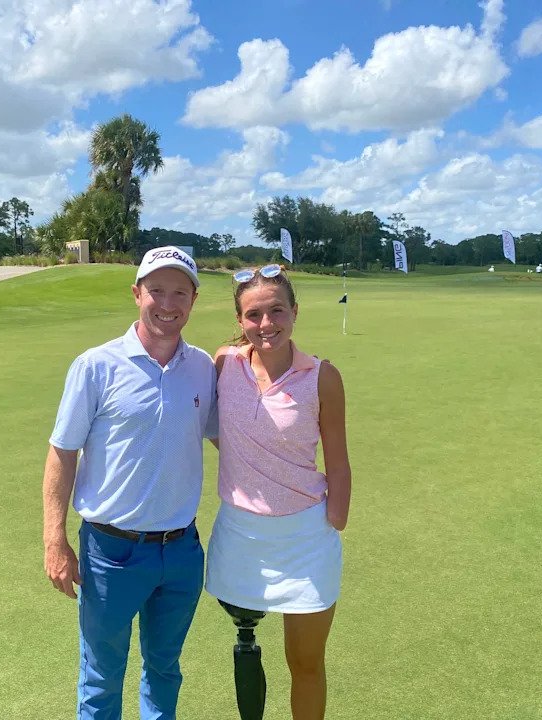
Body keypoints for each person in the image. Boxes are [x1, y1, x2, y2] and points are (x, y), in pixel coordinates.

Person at [42, 246, 218, 719]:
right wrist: (54, 540)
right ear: (136, 293)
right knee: (101, 676)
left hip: (181, 551)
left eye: (180, 291)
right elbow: (62, 452)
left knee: (165, 669)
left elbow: (230, 439)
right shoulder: (96, 365)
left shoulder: (203, 367)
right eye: (156, 290)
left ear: (194, 299)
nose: (167, 302)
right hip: (110, 552)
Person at [205, 265, 352, 720]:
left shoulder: (323, 376)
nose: (266, 324)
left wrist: (336, 521)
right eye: (254, 314)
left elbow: (338, 457)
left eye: (276, 311)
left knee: (305, 663)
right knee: (245, 646)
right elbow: (211, 424)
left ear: (294, 312)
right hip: (240, 536)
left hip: (305, 540)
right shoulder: (224, 363)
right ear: (240, 319)